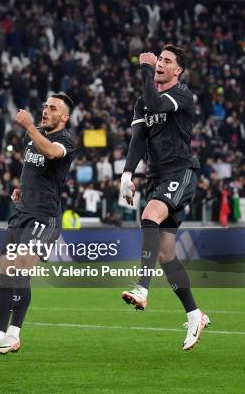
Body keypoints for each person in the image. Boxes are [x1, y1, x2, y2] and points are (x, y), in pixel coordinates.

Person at [0, 94, 77, 360]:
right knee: (5, 271)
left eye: (52, 108)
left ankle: (14, 335)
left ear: (64, 117)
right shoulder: (34, 135)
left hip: (45, 217)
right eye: (45, 106)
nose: (45, 110)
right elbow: (31, 166)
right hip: (23, 212)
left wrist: (30, 127)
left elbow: (51, 153)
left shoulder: (66, 140)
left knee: (20, 267)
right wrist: (22, 189)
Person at [120, 45, 209, 350]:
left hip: (180, 173)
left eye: (166, 61)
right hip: (157, 179)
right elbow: (137, 140)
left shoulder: (182, 94)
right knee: (167, 255)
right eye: (158, 60)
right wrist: (126, 174)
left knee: (149, 217)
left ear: (178, 71)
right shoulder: (141, 103)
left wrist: (144, 69)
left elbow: (156, 105)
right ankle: (195, 314)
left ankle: (143, 288)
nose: (160, 64)